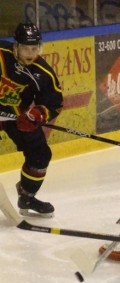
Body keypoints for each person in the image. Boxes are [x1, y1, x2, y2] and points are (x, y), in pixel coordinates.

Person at [0, 23, 64, 218]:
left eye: (34, 48)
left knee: (41, 154)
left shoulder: (43, 73)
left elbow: (54, 104)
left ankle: (27, 196)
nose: (30, 53)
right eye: (26, 48)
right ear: (15, 46)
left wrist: (37, 115)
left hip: (15, 117)